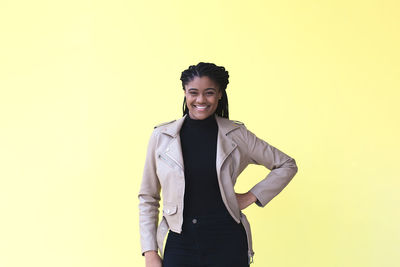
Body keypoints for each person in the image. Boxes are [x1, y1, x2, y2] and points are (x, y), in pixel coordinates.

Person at [138, 62, 298, 267]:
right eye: (193, 92)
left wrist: (252, 196)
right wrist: (150, 252)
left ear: (220, 94)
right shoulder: (162, 137)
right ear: (185, 92)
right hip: (180, 244)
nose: (201, 100)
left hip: (227, 243)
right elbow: (148, 197)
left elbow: (286, 164)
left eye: (209, 93)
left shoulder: (237, 135)